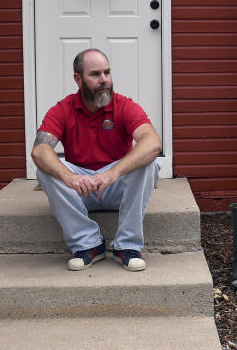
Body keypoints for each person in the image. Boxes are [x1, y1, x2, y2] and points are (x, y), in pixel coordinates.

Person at [31, 49, 162, 271]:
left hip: (115, 187)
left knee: (149, 161)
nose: (104, 80)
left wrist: (113, 173)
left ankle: (127, 246)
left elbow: (152, 142)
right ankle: (88, 244)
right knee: (45, 168)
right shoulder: (63, 109)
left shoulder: (124, 105)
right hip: (80, 190)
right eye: (95, 74)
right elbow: (40, 150)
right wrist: (69, 177)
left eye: (107, 72)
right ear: (78, 79)